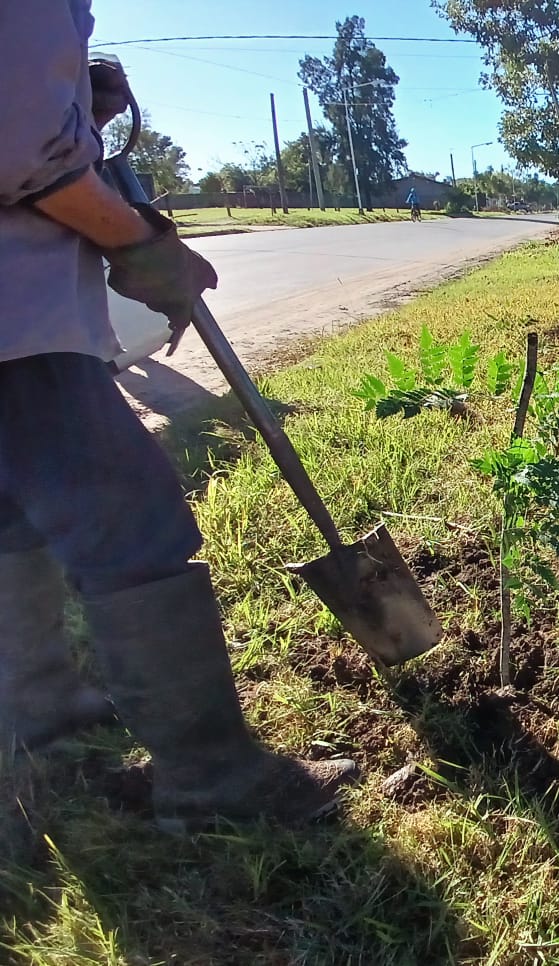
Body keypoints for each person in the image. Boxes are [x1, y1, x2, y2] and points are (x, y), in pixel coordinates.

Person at [0, 0, 357, 831]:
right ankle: (214, 782)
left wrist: (75, 105)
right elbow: (21, 145)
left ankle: (44, 718)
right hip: (17, 323)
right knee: (131, 525)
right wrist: (134, 238)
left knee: (13, 516)